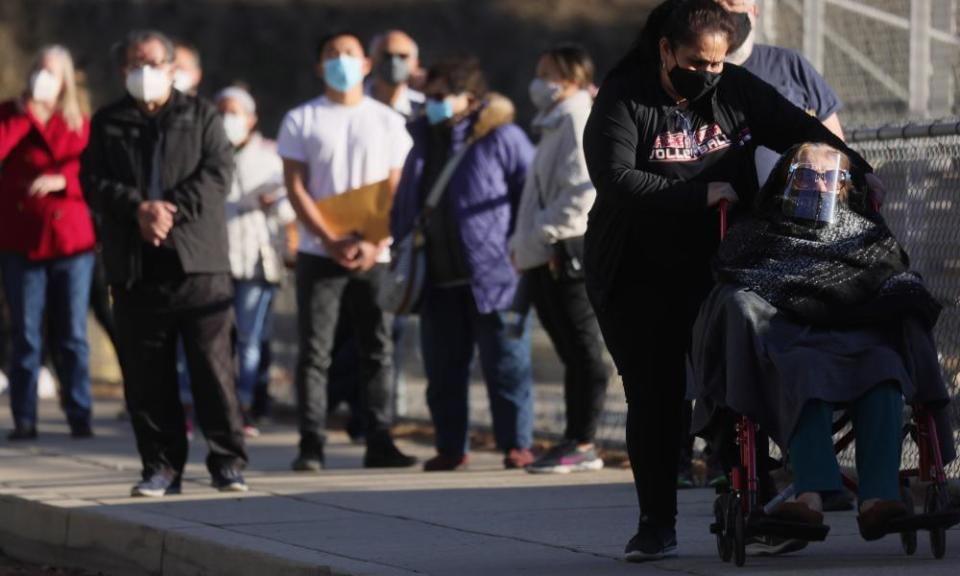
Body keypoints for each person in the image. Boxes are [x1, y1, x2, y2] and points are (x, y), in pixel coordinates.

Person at [581, 0, 878, 560]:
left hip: (721, 258)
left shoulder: (735, 90)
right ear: (666, 50)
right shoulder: (626, 95)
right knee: (657, 393)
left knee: (742, 373)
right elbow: (615, 178)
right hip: (635, 268)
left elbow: (798, 127)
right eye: (698, 62)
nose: (709, 73)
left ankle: (752, 491)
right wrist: (698, 192)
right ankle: (656, 521)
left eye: (718, 64)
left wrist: (856, 170)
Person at [689, 142, 953, 543]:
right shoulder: (757, 233)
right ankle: (808, 497)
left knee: (884, 370)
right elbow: (737, 285)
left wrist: (905, 293)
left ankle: (878, 500)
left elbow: (889, 277)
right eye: (806, 175)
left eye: (829, 178)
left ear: (845, 188)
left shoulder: (865, 235)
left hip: (858, 337)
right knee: (805, 371)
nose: (817, 185)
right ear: (785, 182)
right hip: (786, 339)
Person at [81, 29, 248, 496]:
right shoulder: (108, 121)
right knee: (147, 375)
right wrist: (137, 208)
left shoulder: (202, 116)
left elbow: (218, 173)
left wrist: (168, 210)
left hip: (198, 264)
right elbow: (92, 180)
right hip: (136, 266)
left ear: (173, 69)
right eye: (134, 65)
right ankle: (160, 465)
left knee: (213, 370)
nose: (144, 73)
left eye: (153, 64)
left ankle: (227, 461)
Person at [278, 31, 417, 471]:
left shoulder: (388, 121)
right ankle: (311, 443)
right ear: (319, 67)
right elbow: (295, 185)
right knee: (315, 352)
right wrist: (329, 238)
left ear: (366, 64)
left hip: (374, 253)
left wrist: (377, 239)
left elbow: (397, 186)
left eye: (350, 54)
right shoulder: (301, 119)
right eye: (332, 55)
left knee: (377, 348)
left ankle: (379, 438)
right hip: (322, 254)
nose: (341, 61)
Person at [391, 57, 536, 471]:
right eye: (429, 96)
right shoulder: (423, 140)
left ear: (469, 99)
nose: (431, 104)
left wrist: (518, 250)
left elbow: (530, 194)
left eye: (441, 96)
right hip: (435, 280)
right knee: (442, 374)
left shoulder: (503, 138)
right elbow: (405, 204)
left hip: (495, 277)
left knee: (507, 367)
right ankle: (451, 447)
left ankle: (516, 444)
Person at [509, 44, 610, 474]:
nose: (538, 81)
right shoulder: (552, 121)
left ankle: (584, 441)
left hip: (565, 249)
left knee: (584, 349)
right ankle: (574, 437)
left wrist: (542, 233)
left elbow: (581, 188)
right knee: (570, 351)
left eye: (547, 72)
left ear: (570, 76)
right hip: (542, 252)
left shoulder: (574, 115)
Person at [0, 45, 96, 441]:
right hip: (21, 238)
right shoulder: (10, 113)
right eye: (39, 69)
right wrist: (24, 118)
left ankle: (79, 412)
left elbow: (95, 172)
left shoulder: (80, 119)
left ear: (66, 80)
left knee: (72, 333)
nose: (44, 77)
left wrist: (64, 182)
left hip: (71, 241)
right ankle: (24, 417)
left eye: (53, 72)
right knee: (25, 333)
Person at [217, 85, 295, 437]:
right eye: (222, 111)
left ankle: (243, 404)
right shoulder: (208, 153)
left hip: (255, 260)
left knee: (249, 339)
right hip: (216, 259)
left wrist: (274, 203)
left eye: (235, 111)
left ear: (251, 118)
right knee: (216, 339)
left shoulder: (270, 156)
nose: (228, 119)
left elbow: (289, 205)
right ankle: (214, 404)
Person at [366, 30, 425, 121]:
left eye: (402, 56)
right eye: (387, 56)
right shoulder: (352, 103)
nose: (394, 63)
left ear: (416, 63)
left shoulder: (423, 106)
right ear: (372, 60)